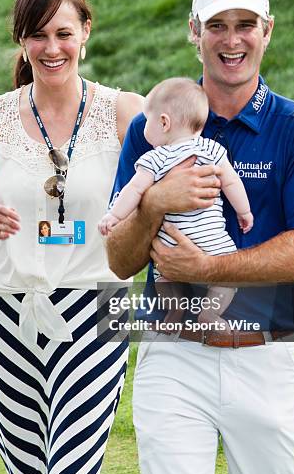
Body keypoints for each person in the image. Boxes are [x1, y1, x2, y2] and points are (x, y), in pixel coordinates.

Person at [106, 0, 294, 474]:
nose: (231, 40)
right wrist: (155, 202)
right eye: (216, 25)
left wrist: (207, 270)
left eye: (245, 24)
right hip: (173, 356)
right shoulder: (153, 124)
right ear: (194, 31)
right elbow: (119, 260)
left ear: (267, 30)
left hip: (266, 359)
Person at [0, 0, 142, 474]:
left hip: (99, 311)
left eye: (63, 33)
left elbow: (161, 189)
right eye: (37, 35)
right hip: (8, 312)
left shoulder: (125, 112)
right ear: (22, 41)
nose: (51, 48)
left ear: (85, 32)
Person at [99, 76, 253, 317]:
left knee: (164, 279)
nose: (144, 125)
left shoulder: (155, 158)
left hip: (169, 243)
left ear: (163, 122)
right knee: (227, 280)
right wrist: (244, 212)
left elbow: (134, 190)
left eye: (147, 120)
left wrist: (114, 216)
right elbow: (232, 181)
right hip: (212, 240)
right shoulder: (211, 149)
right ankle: (210, 313)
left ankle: (174, 311)